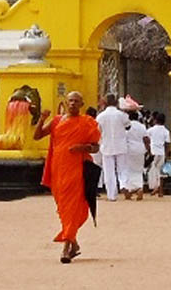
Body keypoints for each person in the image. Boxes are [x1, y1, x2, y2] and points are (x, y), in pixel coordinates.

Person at [35, 90, 101, 263]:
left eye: (76, 101)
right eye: (70, 101)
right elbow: (37, 136)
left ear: (81, 104)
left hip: (77, 170)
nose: (72, 104)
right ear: (66, 102)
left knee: (72, 208)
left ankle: (66, 248)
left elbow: (96, 147)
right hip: (58, 169)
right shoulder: (57, 121)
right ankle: (74, 244)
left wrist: (82, 148)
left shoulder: (87, 123)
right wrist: (42, 118)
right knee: (63, 208)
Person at [95, 93, 129, 201]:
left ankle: (111, 195)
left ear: (104, 103)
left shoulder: (100, 116)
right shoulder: (122, 115)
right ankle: (124, 184)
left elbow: (97, 131)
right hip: (121, 144)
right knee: (122, 169)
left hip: (106, 146)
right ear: (116, 102)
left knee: (109, 171)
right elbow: (128, 126)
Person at [121, 109, 150, 200]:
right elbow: (146, 139)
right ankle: (139, 187)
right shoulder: (142, 126)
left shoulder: (126, 127)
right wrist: (148, 149)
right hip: (140, 150)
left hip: (129, 149)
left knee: (127, 169)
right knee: (138, 170)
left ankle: (128, 188)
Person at [146, 111, 171, 198]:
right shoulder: (166, 131)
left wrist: (148, 150)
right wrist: (167, 155)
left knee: (152, 171)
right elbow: (167, 144)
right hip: (161, 152)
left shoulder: (151, 130)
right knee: (161, 172)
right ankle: (160, 191)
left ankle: (154, 187)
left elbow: (146, 139)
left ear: (155, 120)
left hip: (153, 152)